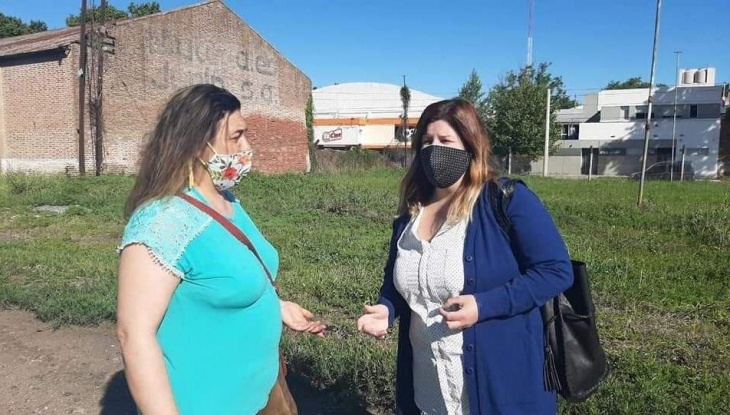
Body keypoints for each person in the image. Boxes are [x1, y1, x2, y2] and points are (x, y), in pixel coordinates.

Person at [116, 84, 326, 414]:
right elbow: (134, 335)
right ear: (196, 143)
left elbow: (227, 275)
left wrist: (276, 306)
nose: (246, 148)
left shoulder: (227, 201)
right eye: (236, 136)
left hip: (264, 389)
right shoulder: (162, 222)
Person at [357, 98, 573, 414]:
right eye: (427, 141)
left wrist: (484, 305)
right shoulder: (409, 216)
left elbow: (555, 270)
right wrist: (387, 309)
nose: (434, 149)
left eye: (446, 141)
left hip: (499, 387)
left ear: (470, 146)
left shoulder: (507, 200)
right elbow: (398, 285)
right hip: (430, 388)